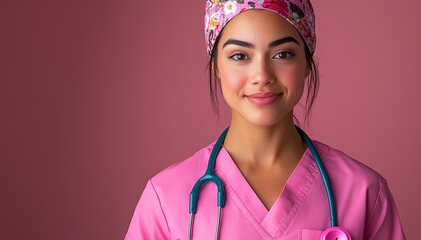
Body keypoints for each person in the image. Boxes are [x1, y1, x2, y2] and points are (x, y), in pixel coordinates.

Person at [125, 0, 406, 239]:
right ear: (216, 66)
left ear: (307, 63)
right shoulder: (166, 197)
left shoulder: (364, 192)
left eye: (282, 54)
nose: (262, 75)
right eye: (239, 56)